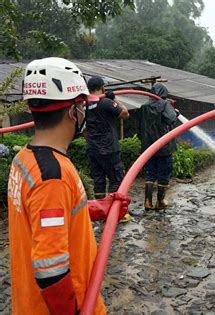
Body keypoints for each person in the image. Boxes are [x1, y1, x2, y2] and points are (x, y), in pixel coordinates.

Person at [8, 57, 130, 314]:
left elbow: (48, 216)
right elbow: (50, 271)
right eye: (83, 105)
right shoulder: (52, 176)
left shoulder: (23, 159)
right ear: (74, 110)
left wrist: (99, 208)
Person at [85, 76, 129, 200]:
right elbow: (125, 114)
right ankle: (114, 211)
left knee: (98, 181)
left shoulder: (84, 105)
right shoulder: (105, 102)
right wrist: (114, 98)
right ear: (102, 87)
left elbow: (84, 130)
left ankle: (100, 211)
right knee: (116, 179)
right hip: (108, 149)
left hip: (92, 149)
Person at [137, 83, 178, 210]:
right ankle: (160, 202)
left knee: (150, 174)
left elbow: (139, 127)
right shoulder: (164, 104)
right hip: (164, 147)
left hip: (149, 148)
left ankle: (147, 202)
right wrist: (176, 112)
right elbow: (171, 119)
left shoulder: (144, 107)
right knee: (163, 174)